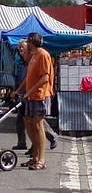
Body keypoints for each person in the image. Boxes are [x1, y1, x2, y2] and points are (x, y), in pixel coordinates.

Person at [22, 32, 54, 170]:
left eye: (27, 42)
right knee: (29, 123)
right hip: (31, 96)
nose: (25, 45)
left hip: (40, 95)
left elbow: (45, 78)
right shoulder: (34, 56)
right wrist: (19, 90)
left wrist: (30, 91)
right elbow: (29, 77)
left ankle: (41, 160)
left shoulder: (43, 55)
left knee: (38, 126)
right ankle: (35, 156)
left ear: (31, 42)